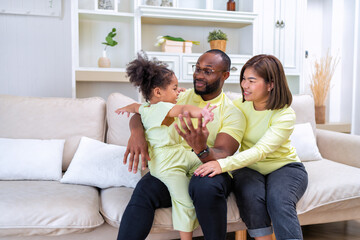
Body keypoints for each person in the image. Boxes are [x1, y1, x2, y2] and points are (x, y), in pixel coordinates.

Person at [117, 49, 246, 240]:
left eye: (207, 71)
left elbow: (223, 153)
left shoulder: (232, 112)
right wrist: (137, 134)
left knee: (204, 186)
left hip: (209, 166)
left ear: (225, 75)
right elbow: (144, 112)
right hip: (175, 165)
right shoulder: (180, 96)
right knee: (145, 189)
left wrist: (201, 148)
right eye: (197, 69)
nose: (199, 75)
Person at [194, 54, 309, 240]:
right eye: (243, 79)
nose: (244, 85)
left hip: (284, 167)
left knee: (279, 200)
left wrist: (221, 164)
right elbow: (214, 107)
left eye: (252, 81)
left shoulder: (285, 115)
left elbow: (261, 150)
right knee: (250, 195)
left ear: (270, 84)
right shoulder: (239, 105)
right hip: (249, 168)